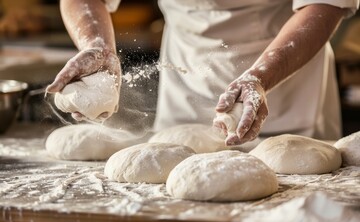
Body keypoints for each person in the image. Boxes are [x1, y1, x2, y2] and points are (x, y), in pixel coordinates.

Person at [46, 0, 359, 145]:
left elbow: (324, 4)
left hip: (286, 77)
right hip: (186, 72)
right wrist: (96, 44)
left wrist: (261, 77)